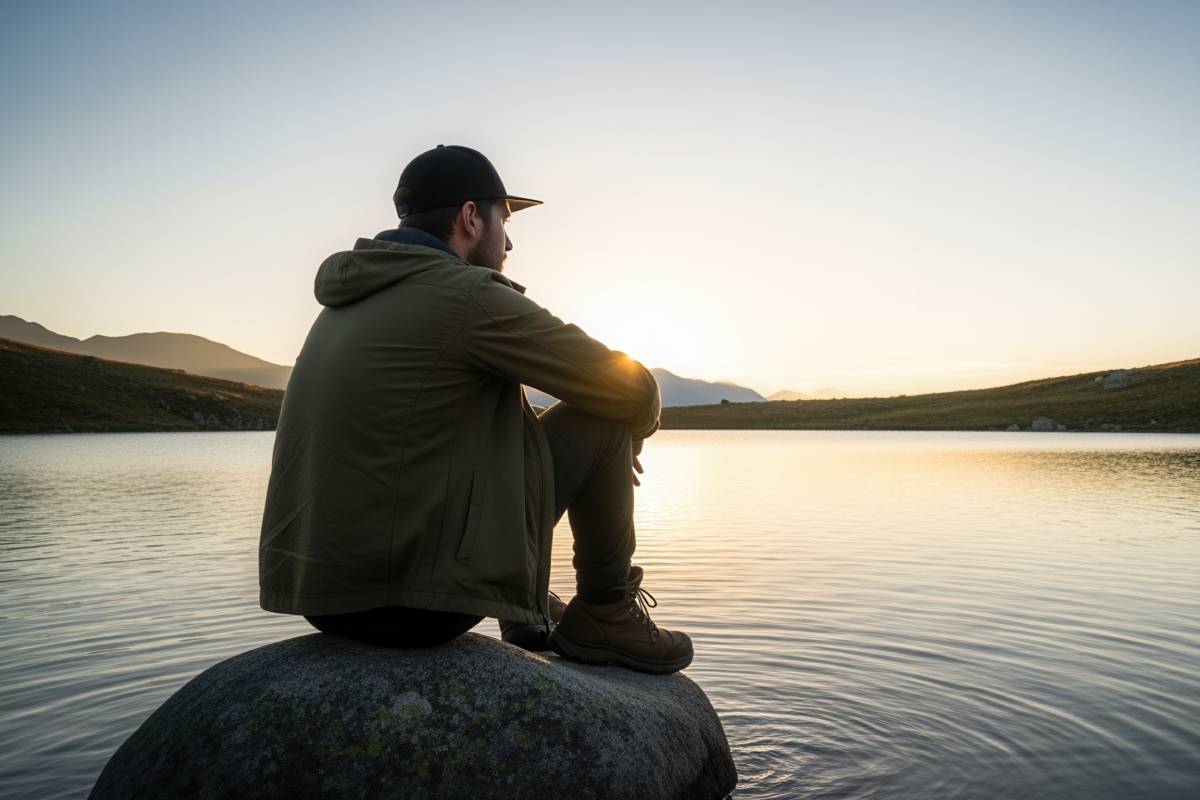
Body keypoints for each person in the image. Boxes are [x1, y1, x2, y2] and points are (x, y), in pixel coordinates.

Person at [258, 145, 693, 674]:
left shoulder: (347, 300)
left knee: (500, 410)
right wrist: (631, 432)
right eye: (503, 221)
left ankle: (523, 614)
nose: (508, 242)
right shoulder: (465, 296)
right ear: (469, 218)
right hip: (414, 608)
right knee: (603, 415)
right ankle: (606, 611)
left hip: (323, 600)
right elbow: (634, 390)